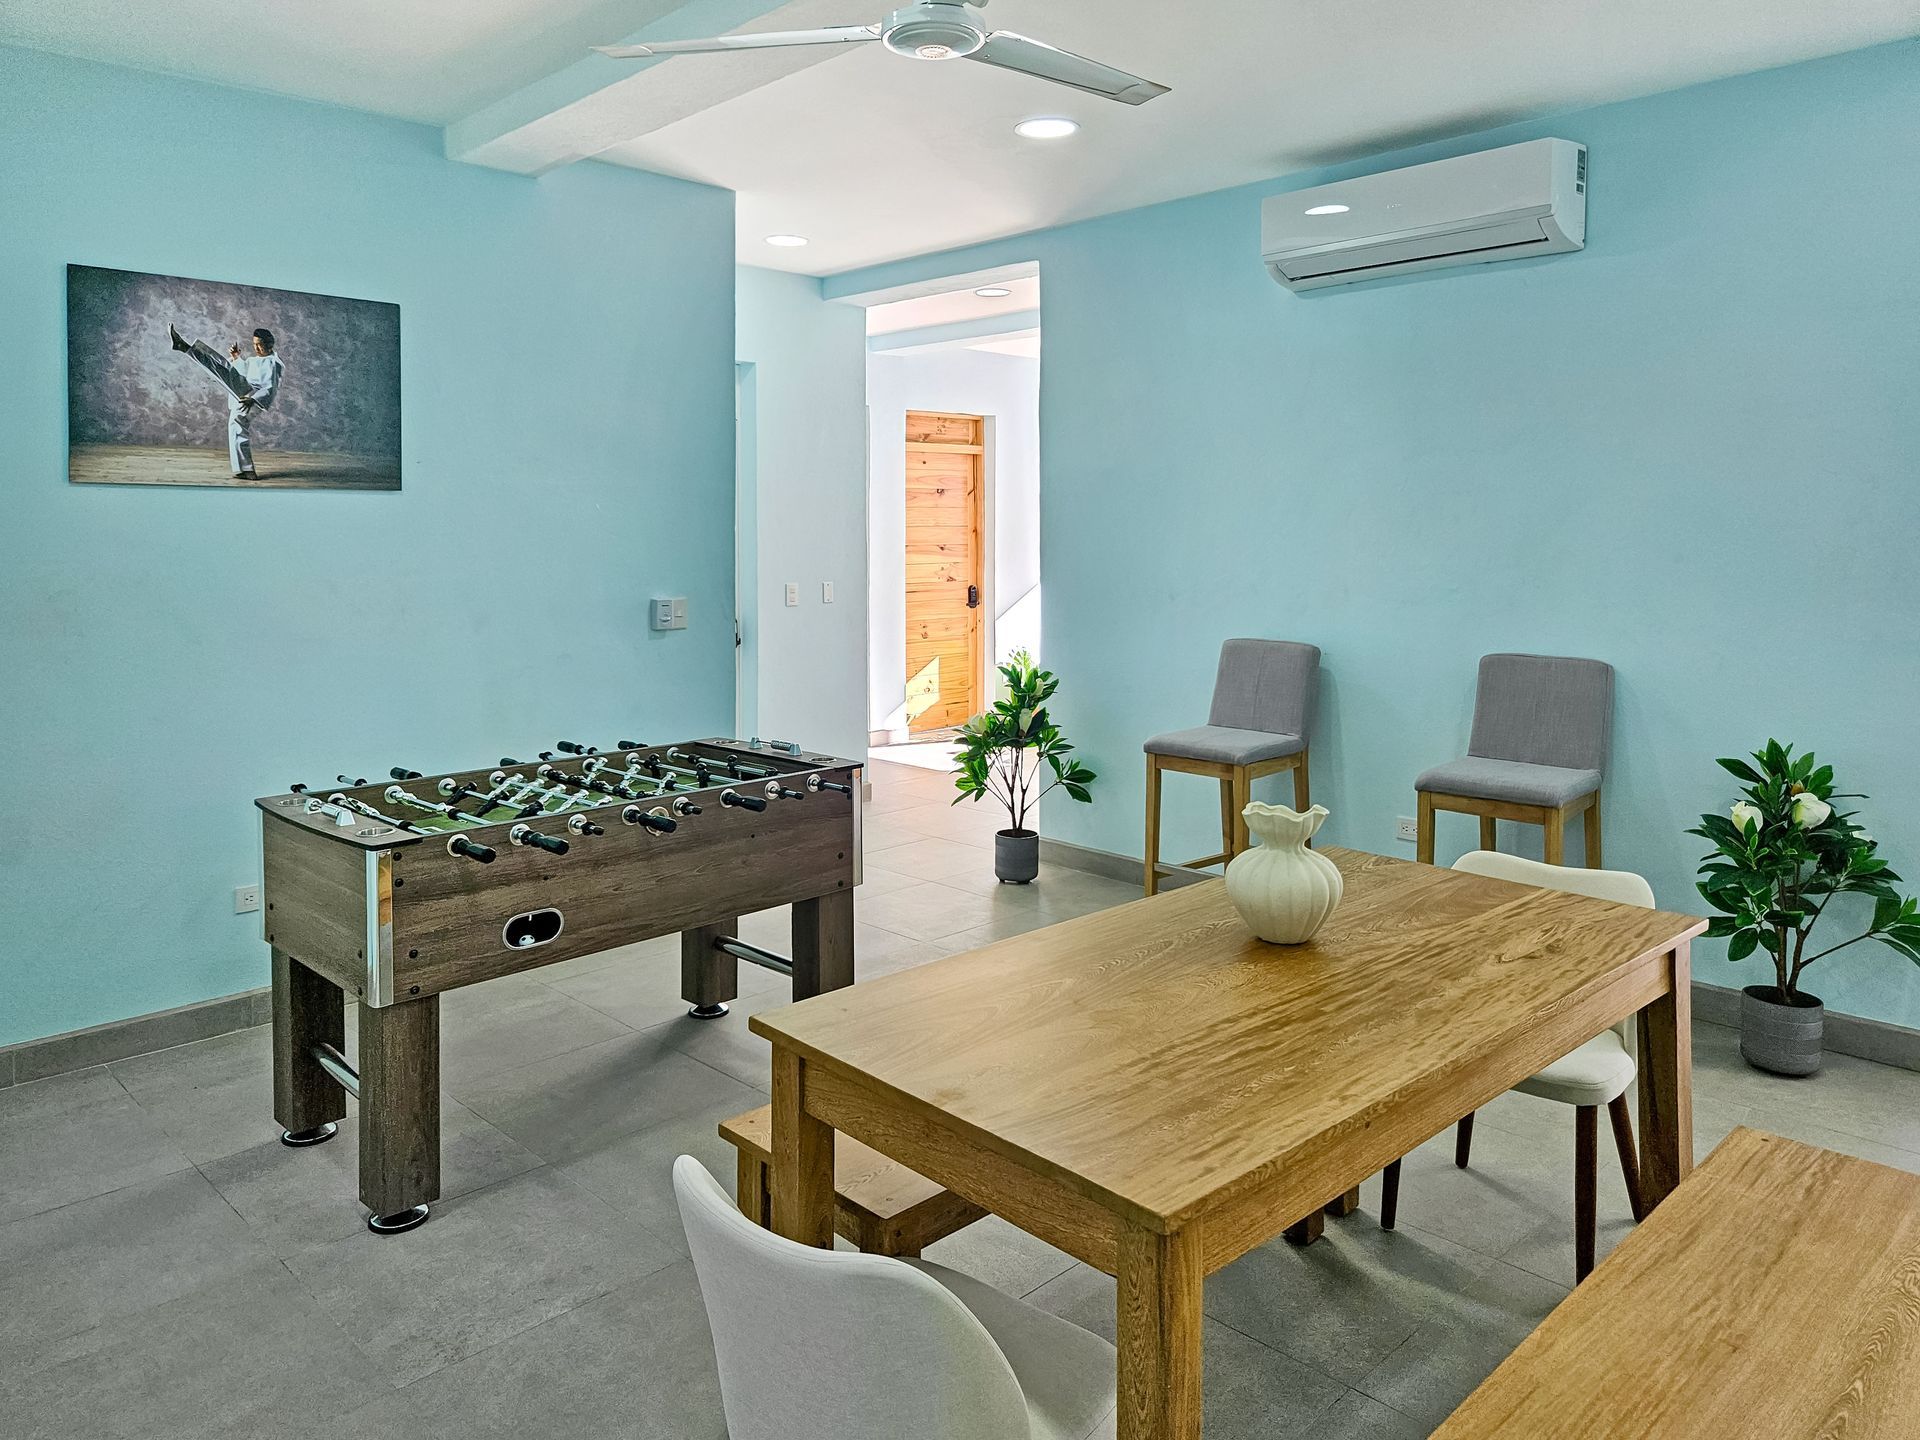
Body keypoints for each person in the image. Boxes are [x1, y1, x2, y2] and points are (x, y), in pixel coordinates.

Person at [168, 323, 285, 479]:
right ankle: (243, 470)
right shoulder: (253, 359)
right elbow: (244, 372)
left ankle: (184, 347)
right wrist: (237, 357)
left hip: (252, 396)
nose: (257, 348)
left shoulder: (274, 363)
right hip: (245, 391)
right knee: (223, 367)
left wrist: (252, 400)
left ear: (269, 345)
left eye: (260, 345)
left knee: (223, 375)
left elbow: (270, 388)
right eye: (255, 344)